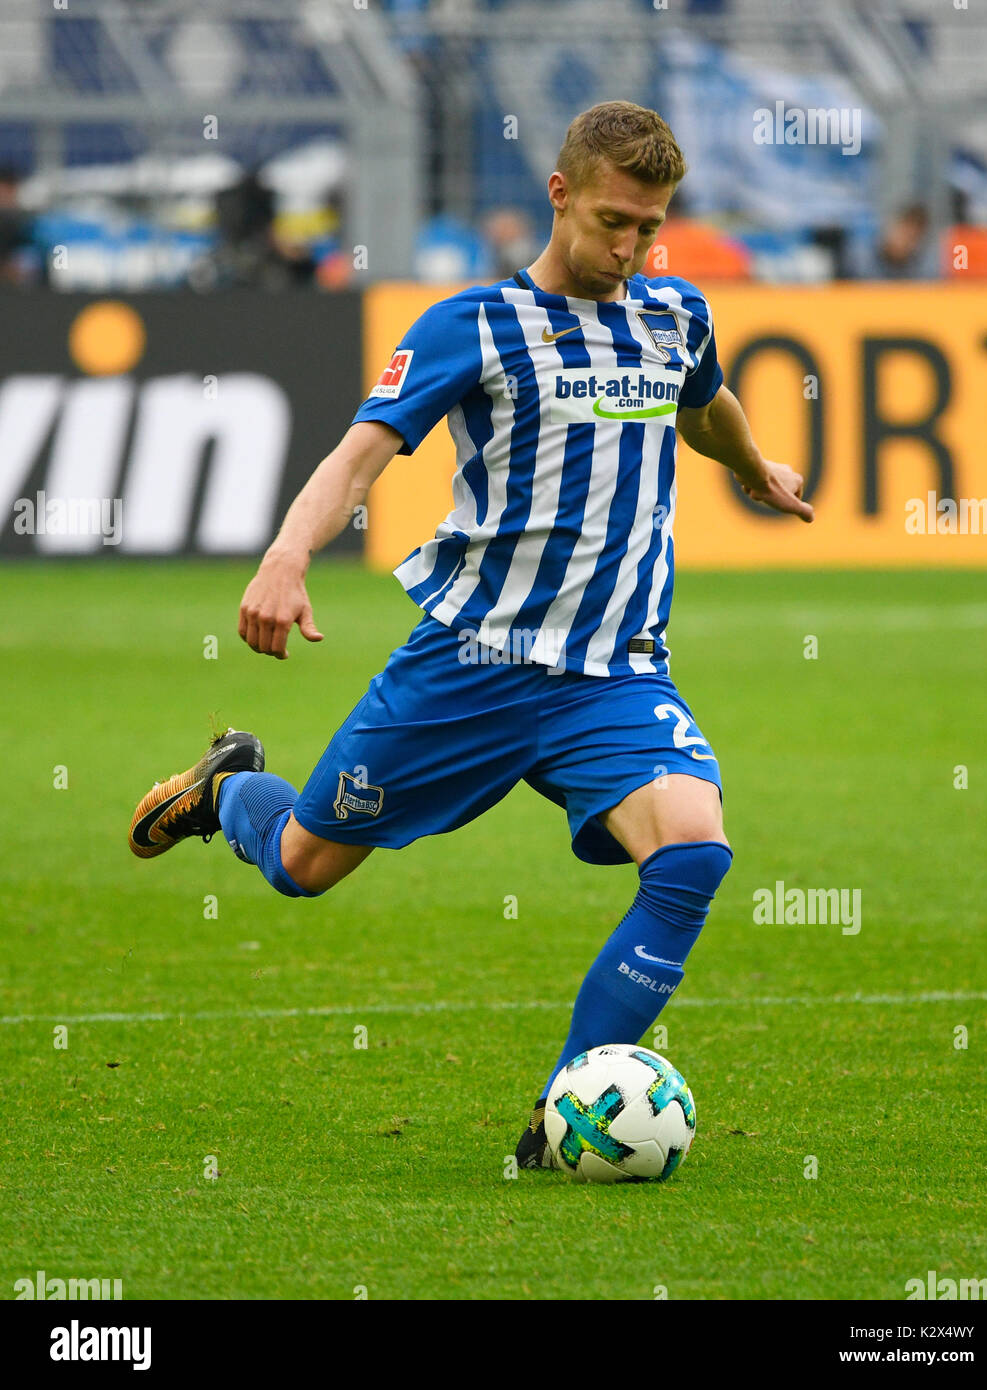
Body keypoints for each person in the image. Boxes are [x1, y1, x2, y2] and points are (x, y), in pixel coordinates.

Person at [129, 101, 812, 1168]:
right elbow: (360, 455)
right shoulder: (471, 325)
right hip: (470, 666)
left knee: (692, 853)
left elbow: (703, 403)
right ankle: (230, 790)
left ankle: (561, 1119)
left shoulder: (674, 316)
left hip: (611, 677)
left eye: (649, 226)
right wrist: (285, 555)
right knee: (304, 865)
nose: (629, 248)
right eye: (611, 222)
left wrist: (752, 466)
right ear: (558, 194)